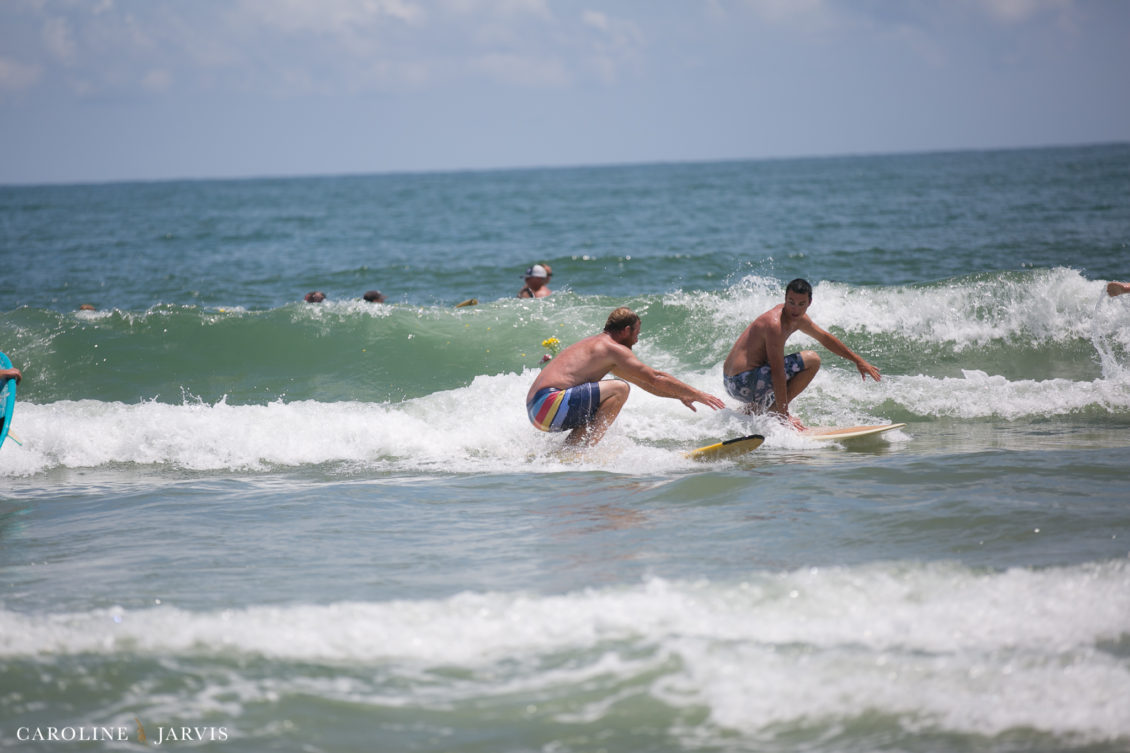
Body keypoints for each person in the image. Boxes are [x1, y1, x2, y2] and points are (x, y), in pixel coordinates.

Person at [526, 307, 725, 447]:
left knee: (606, 400)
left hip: (538, 410)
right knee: (619, 389)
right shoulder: (612, 349)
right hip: (550, 404)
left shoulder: (600, 348)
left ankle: (567, 454)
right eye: (637, 333)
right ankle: (582, 451)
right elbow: (656, 377)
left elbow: (646, 383)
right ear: (626, 330)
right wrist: (698, 394)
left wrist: (679, 395)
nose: (637, 339)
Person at [723, 278, 881, 431]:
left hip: (734, 383)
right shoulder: (774, 324)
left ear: (809, 303)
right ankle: (775, 412)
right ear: (785, 299)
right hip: (742, 381)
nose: (795, 309)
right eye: (791, 302)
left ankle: (750, 413)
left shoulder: (799, 319)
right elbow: (777, 372)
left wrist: (857, 360)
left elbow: (825, 338)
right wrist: (784, 415)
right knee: (812, 359)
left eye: (801, 304)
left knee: (782, 382)